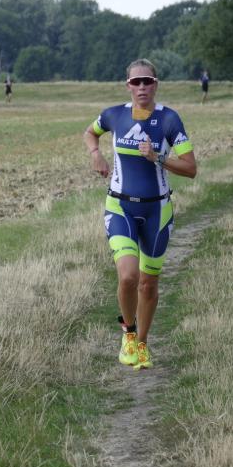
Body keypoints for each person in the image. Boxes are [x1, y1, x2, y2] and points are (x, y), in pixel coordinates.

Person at [83, 58, 197, 370]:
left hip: (157, 210)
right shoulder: (114, 115)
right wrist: (95, 154)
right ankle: (129, 333)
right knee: (129, 276)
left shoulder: (169, 119)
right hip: (120, 206)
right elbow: (90, 133)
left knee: (148, 284)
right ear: (128, 86)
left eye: (148, 81)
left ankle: (143, 343)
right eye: (136, 82)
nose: (142, 87)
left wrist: (158, 157)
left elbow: (191, 168)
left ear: (156, 85)